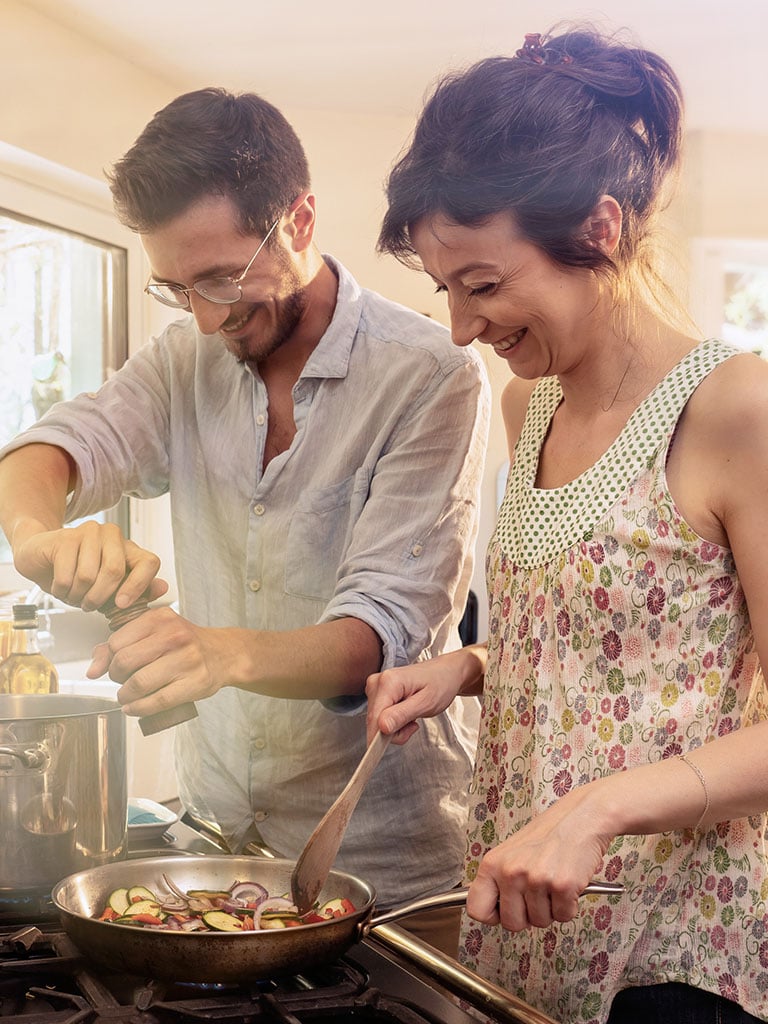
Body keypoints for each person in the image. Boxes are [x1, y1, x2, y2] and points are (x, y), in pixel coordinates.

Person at [0, 88, 491, 951]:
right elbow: (49, 452)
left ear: (299, 220)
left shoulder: (430, 375)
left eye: (224, 277)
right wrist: (43, 537)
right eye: (176, 286)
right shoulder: (185, 357)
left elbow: (383, 635)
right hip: (217, 842)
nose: (205, 316)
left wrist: (217, 652)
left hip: (386, 863)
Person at [367, 25, 768, 1023]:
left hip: (679, 944)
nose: (463, 329)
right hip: (532, 924)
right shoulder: (526, 405)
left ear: (599, 227)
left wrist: (597, 809)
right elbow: (630, 651)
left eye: (484, 286)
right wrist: (467, 667)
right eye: (444, 291)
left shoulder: (733, 409)